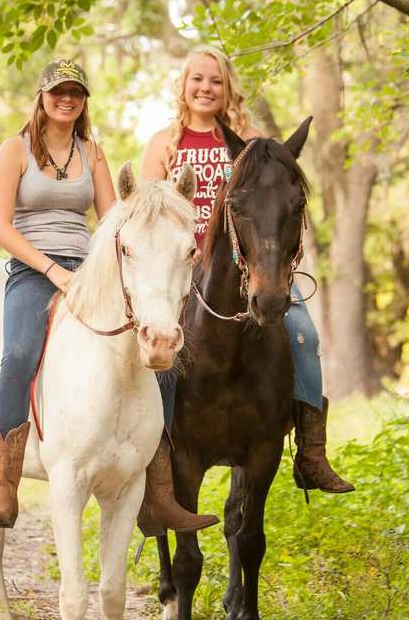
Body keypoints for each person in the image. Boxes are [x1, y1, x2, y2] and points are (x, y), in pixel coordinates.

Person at [0, 58, 219, 534]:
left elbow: (114, 218)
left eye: (75, 92)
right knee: (20, 350)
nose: (66, 99)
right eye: (57, 91)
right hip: (33, 270)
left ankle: (157, 487)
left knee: (158, 353)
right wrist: (51, 269)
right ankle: (4, 479)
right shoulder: (15, 150)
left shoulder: (92, 152)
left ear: (84, 100)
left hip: (89, 269)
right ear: (42, 97)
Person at [140, 45, 354, 497]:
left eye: (215, 80)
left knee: (304, 335)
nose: (206, 88)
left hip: (251, 268)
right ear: (184, 85)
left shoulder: (253, 141)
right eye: (197, 79)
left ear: (228, 87)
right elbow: (150, 214)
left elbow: (277, 204)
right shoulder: (164, 144)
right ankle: (155, 462)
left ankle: (311, 450)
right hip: (183, 272)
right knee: (157, 354)